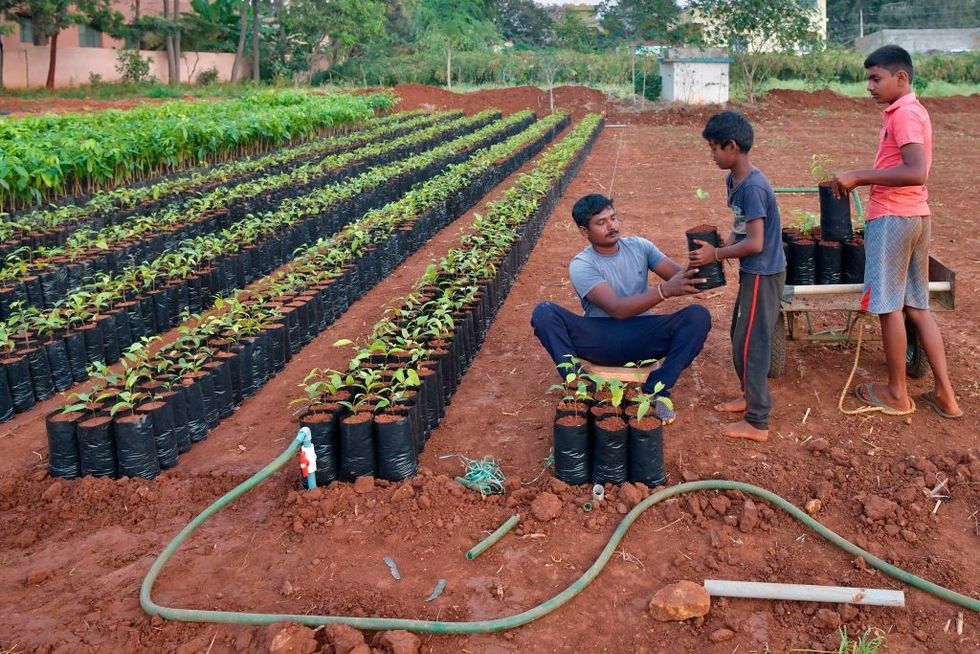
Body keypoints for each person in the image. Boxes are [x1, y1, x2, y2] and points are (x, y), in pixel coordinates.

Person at [830, 45, 961, 419]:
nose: (869, 86)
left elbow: (916, 170)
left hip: (893, 219)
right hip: (917, 217)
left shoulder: (903, 113)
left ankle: (897, 393)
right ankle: (946, 395)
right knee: (918, 307)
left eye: (875, 78)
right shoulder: (913, 110)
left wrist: (859, 175)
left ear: (900, 78)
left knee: (889, 309)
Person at [531, 193, 711, 417]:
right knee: (545, 313)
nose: (611, 226)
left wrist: (705, 259)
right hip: (600, 340)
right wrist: (664, 291)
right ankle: (579, 382)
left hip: (643, 335)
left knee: (698, 316)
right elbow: (617, 309)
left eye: (613, 218)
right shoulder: (582, 264)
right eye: (601, 222)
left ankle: (658, 388)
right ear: (584, 231)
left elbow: (680, 276)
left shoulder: (640, 247)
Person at [690, 111, 786, 442]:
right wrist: (726, 244)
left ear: (732, 146)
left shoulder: (754, 187)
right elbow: (743, 228)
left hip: (764, 272)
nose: (712, 154)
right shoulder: (734, 180)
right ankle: (749, 397)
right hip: (753, 272)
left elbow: (757, 243)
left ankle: (758, 421)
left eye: (714, 148)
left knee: (751, 344)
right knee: (738, 335)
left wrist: (715, 254)